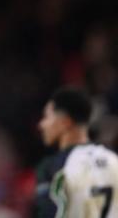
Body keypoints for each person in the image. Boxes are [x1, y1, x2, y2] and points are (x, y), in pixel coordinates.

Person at [34, 87, 118, 218]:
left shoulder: (53, 167)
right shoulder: (113, 159)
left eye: (46, 117)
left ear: (65, 122)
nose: (42, 124)